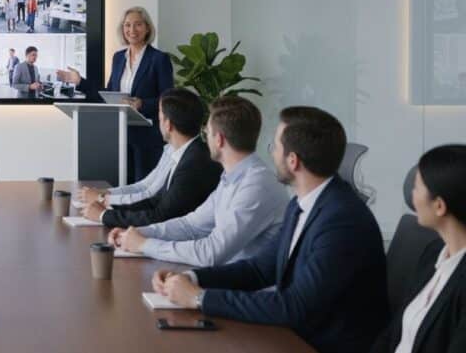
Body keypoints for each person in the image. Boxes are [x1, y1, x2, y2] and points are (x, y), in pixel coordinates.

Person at [154, 106, 388, 353]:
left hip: (320, 344)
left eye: (275, 147)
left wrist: (199, 298)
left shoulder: (341, 221)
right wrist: (192, 278)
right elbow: (259, 269)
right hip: (295, 335)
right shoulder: (302, 204)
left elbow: (295, 306)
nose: (271, 154)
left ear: (293, 161)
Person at [110, 96, 288, 267]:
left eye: (207, 132)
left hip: (246, 291)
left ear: (219, 140)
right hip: (223, 281)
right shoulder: (232, 177)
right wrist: (137, 233)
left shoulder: (257, 185)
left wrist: (144, 245)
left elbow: (212, 253)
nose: (205, 138)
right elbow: (190, 225)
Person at [57, 6, 173, 183]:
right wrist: (80, 82)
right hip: (119, 136)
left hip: (148, 139)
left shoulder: (159, 59)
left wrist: (142, 104)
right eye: (127, 25)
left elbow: (169, 100)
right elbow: (109, 96)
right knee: (121, 188)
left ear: (147, 28)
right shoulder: (118, 58)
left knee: (144, 192)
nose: (132, 30)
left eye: (138, 25)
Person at [81, 87, 221, 228]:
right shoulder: (184, 152)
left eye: (159, 116)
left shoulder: (193, 162)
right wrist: (106, 205)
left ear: (168, 124)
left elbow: (161, 216)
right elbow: (153, 201)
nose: (158, 121)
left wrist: (104, 214)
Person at [372, 145, 466, 353]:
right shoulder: (432, 252)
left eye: (416, 187)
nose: (411, 196)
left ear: (439, 206)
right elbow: (394, 332)